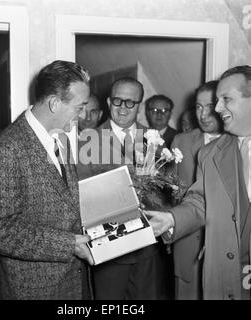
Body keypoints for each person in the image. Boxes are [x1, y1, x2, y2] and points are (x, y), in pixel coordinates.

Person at [0, 60, 94, 300]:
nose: (82, 115)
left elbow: (66, 205)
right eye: (79, 107)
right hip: (30, 290)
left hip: (70, 283)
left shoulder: (60, 139)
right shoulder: (7, 149)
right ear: (54, 103)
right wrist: (67, 244)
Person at [147, 65, 251, 300]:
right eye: (217, 100)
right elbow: (201, 200)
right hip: (226, 278)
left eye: (226, 99)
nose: (217, 108)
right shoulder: (211, 153)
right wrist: (172, 218)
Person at [78, 77, 173, 300]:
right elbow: (83, 195)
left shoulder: (153, 140)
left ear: (140, 105)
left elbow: (164, 190)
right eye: (118, 101)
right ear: (109, 101)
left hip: (147, 247)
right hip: (108, 247)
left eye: (130, 102)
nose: (123, 108)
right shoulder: (87, 140)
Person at [171, 80, 223, 300]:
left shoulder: (241, 143)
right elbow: (170, 187)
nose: (203, 114)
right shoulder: (181, 141)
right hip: (187, 240)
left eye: (210, 107)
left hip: (224, 243)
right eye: (198, 107)